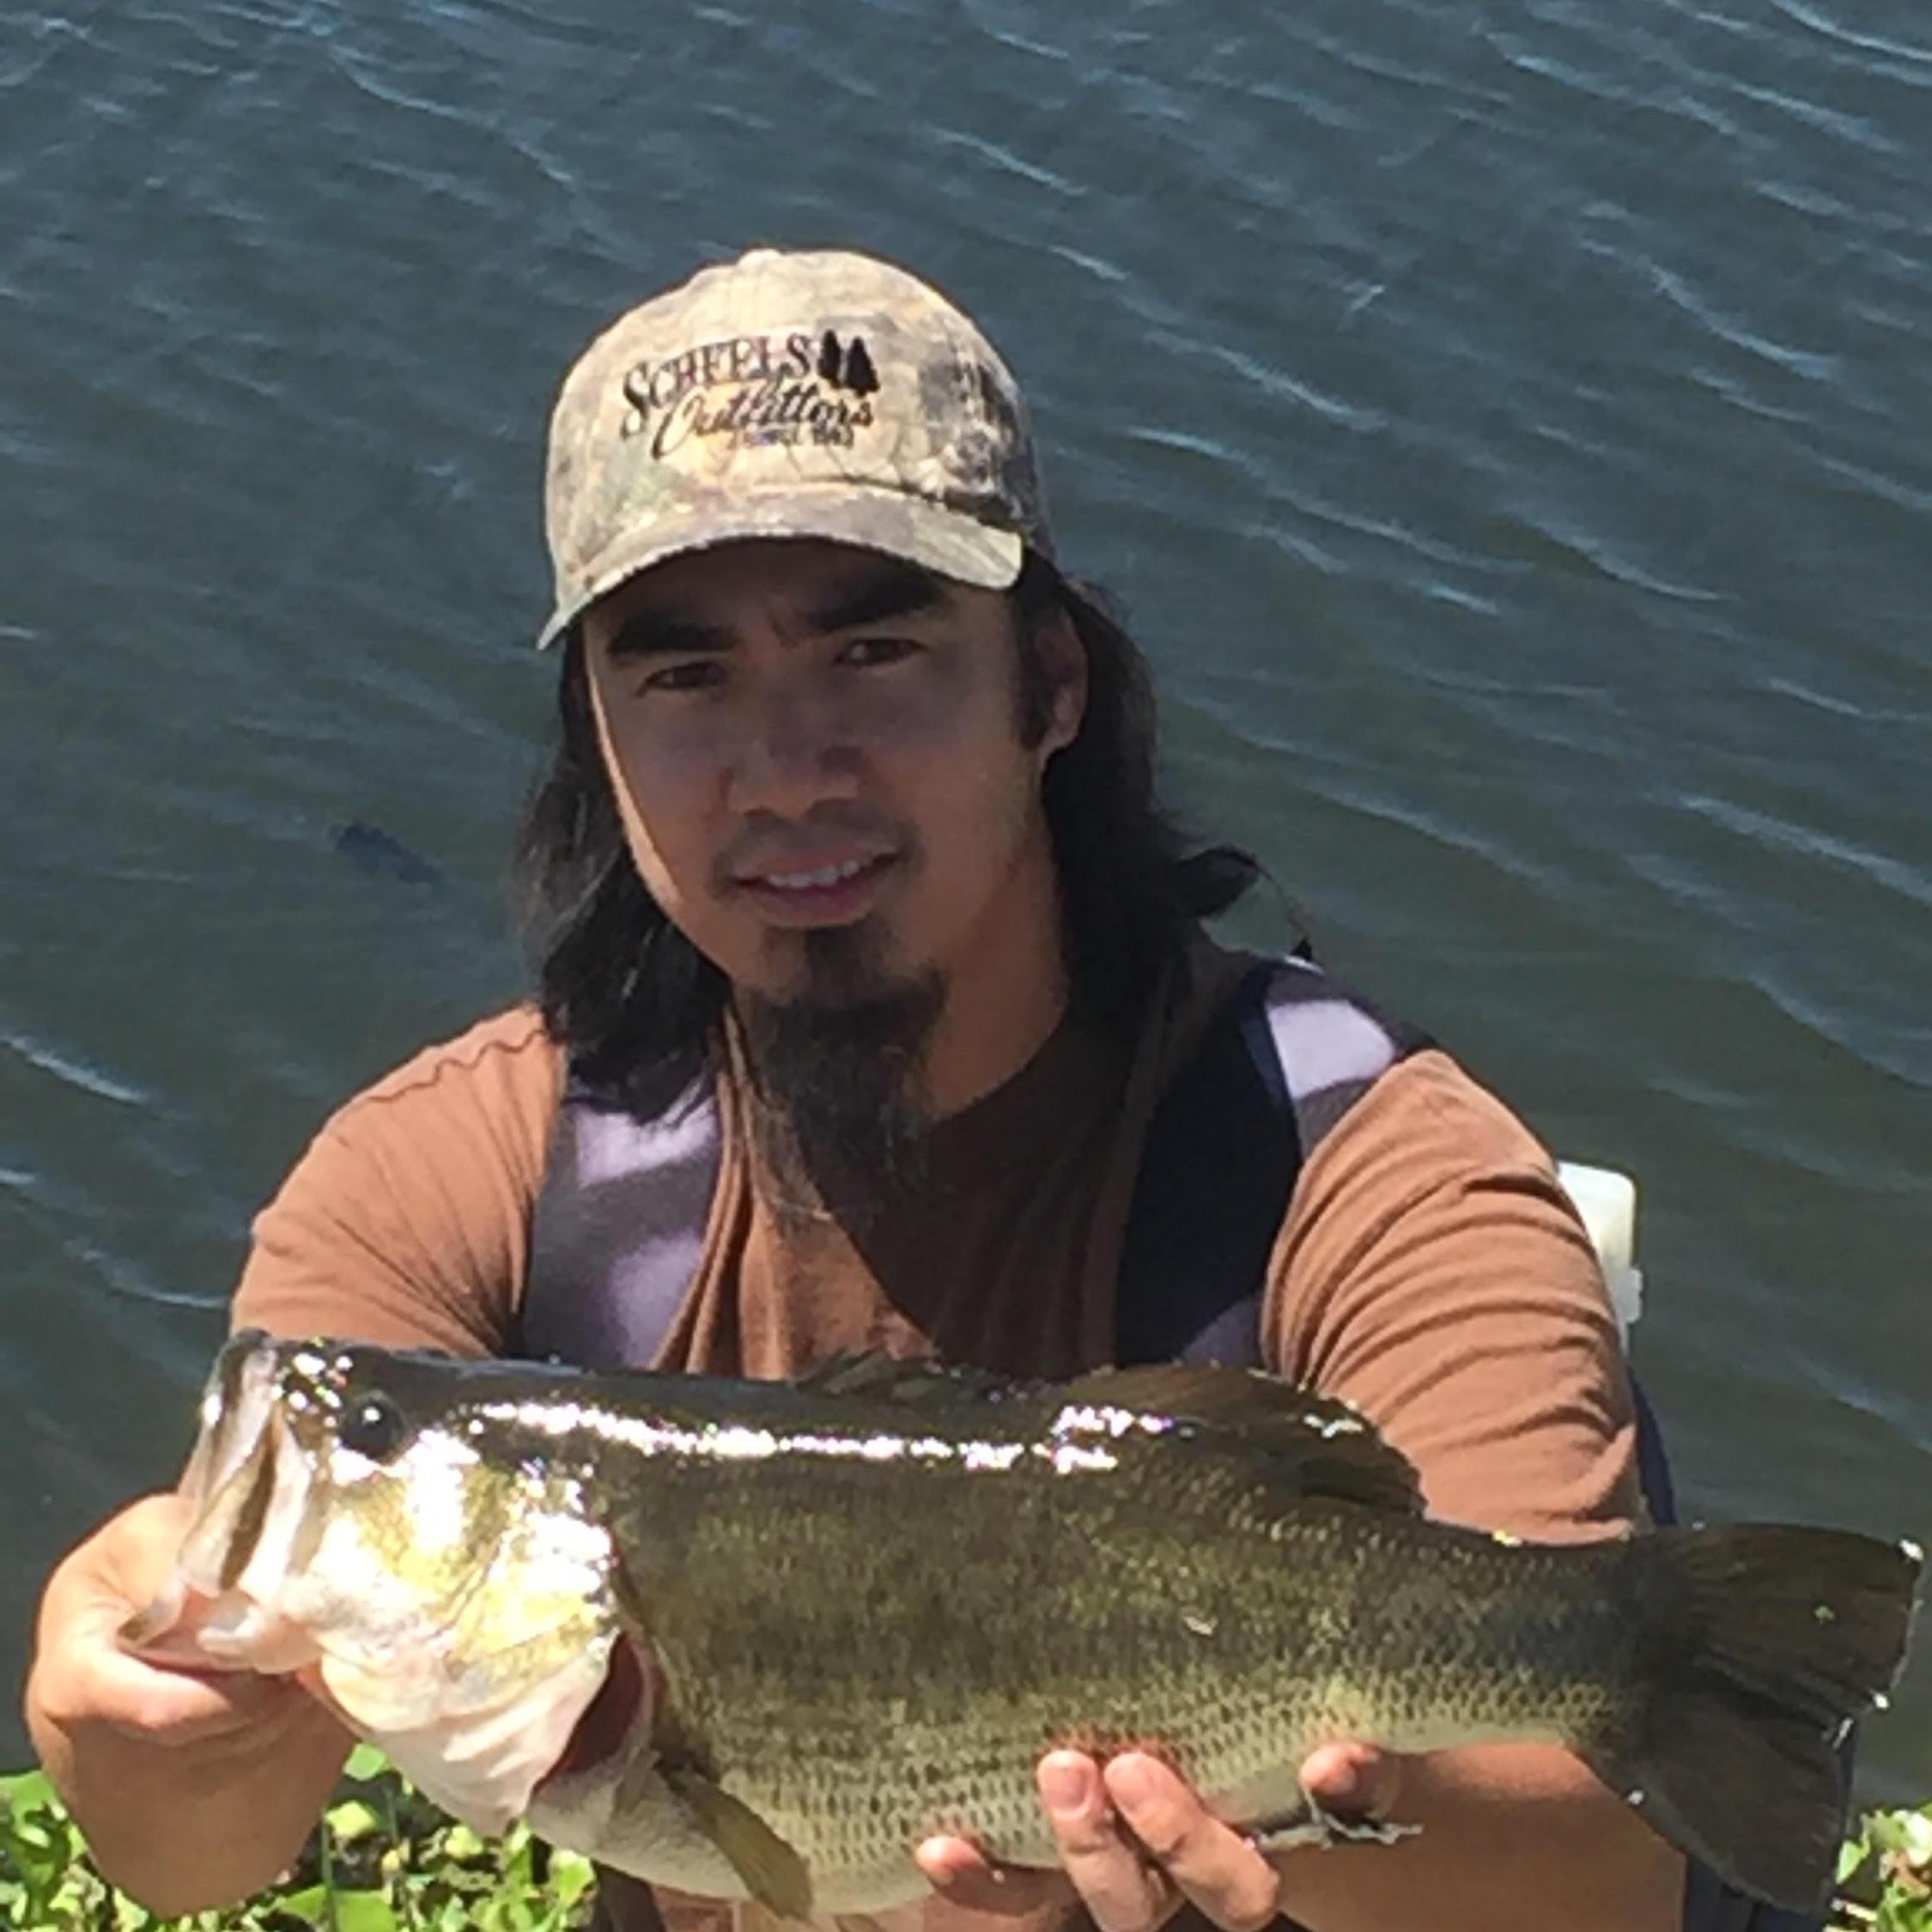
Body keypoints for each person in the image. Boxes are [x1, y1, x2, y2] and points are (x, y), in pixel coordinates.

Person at [24, 247, 1683, 1932]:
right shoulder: (447, 1173)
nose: (786, 770)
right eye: (684, 677)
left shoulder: (1367, 1169)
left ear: (1050, 685)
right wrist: (135, 1721)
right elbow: (193, 1860)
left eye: (875, 651)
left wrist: (1280, 1795)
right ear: (598, 731)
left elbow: (1608, 1871)